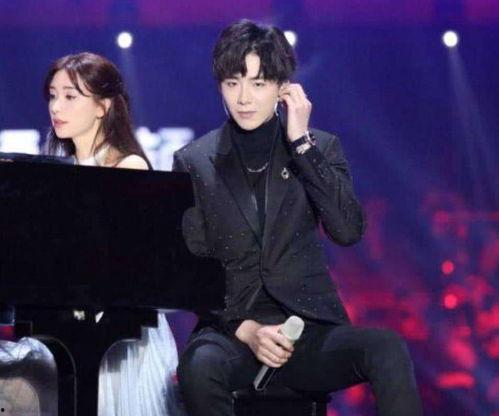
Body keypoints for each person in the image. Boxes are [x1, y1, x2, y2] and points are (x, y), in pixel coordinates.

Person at [173, 20, 423, 416]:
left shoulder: (318, 146)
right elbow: (191, 268)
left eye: (258, 83)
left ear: (283, 88)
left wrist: (301, 144)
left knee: (386, 347)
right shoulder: (195, 161)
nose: (244, 98)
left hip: (308, 330)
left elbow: (348, 230)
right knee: (198, 366)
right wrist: (247, 329)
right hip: (234, 331)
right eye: (233, 83)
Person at [44, 52, 179, 415]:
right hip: (66, 326)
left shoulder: (127, 167)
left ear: (103, 106)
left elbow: (130, 267)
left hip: (119, 335)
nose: (56, 107)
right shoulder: (54, 174)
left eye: (70, 96)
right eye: (53, 96)